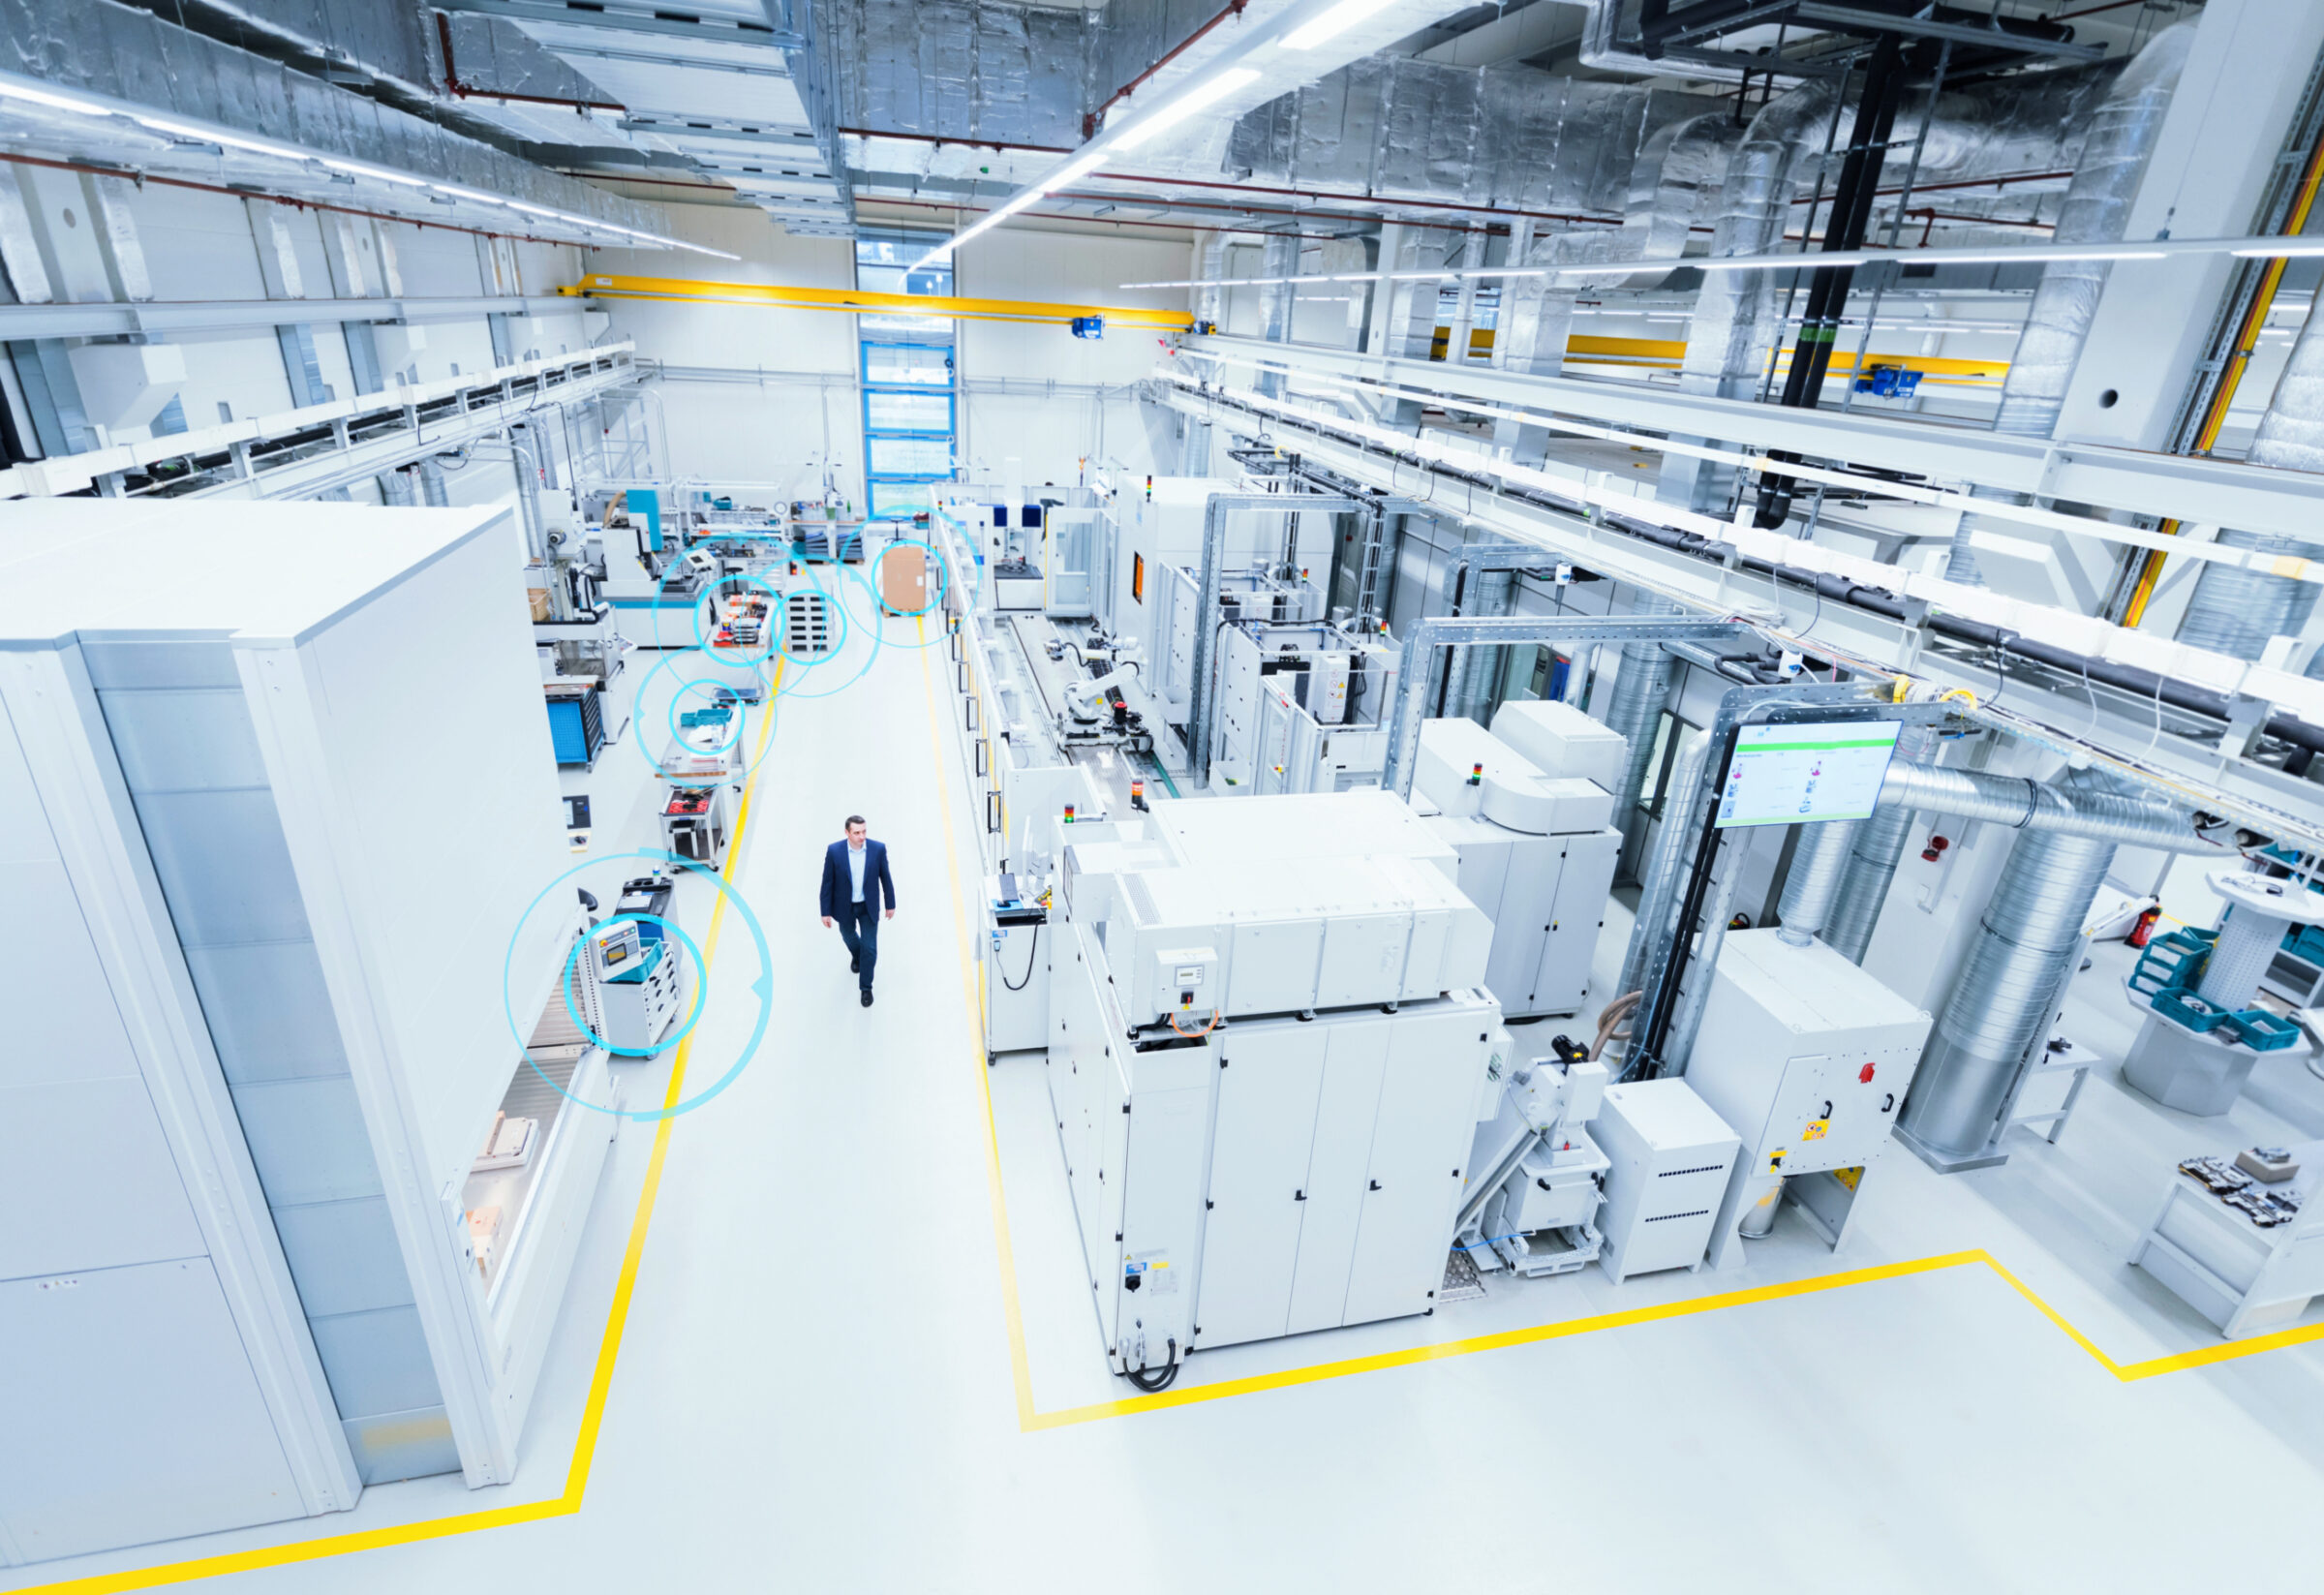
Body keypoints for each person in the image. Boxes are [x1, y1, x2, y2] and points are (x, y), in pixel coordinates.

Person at [820, 814, 895, 1007]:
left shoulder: (877, 849)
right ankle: (857, 953)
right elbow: (827, 883)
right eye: (857, 833)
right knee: (847, 935)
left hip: (867, 906)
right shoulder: (834, 851)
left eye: (864, 832)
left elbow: (885, 878)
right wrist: (825, 911)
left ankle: (866, 988)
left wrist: (890, 903)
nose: (862, 837)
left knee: (870, 948)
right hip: (845, 906)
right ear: (847, 833)